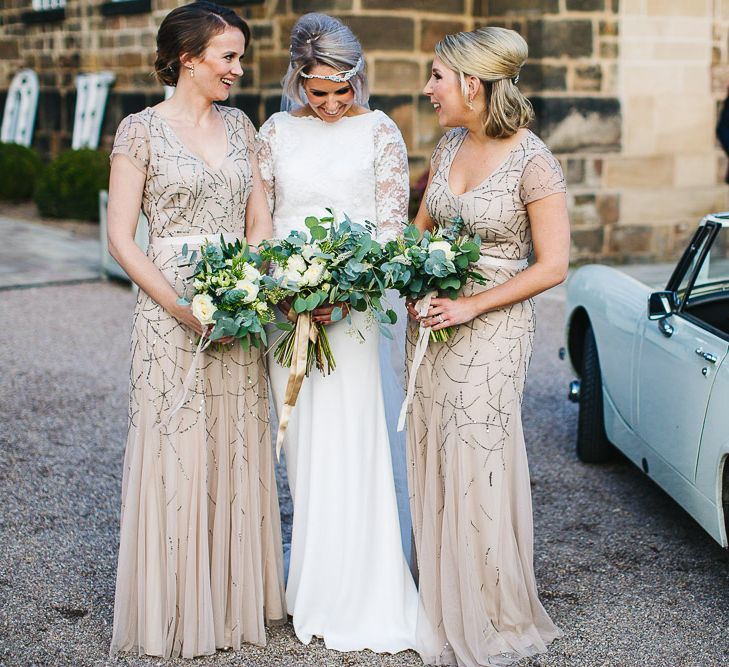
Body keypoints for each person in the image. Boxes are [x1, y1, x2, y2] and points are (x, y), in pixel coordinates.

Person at [107, 1, 285, 658]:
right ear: (188, 59)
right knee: (176, 442)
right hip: (168, 308)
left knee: (234, 441)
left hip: (237, 306)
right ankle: (176, 606)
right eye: (227, 57)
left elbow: (259, 220)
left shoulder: (242, 127)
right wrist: (181, 306)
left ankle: (231, 598)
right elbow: (122, 239)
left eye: (239, 56)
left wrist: (246, 282)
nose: (238, 69)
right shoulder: (140, 132)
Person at [405, 27, 569, 666]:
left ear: (472, 85)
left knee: (478, 453)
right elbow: (418, 232)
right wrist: (386, 270)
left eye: (437, 78)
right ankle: (444, 599)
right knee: (436, 447)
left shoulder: (534, 160)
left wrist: (470, 303)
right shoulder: (447, 146)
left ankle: (491, 608)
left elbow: (552, 265)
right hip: (433, 324)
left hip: (493, 326)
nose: (428, 89)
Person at [257, 12, 418, 653]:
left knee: (357, 437)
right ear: (297, 78)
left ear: (358, 79)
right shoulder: (274, 132)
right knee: (305, 448)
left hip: (353, 313)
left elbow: (390, 228)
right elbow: (262, 224)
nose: (328, 104)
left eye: (340, 90)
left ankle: (367, 586)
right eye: (316, 91)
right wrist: (289, 287)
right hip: (287, 311)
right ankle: (314, 583)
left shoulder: (380, 132)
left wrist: (341, 290)